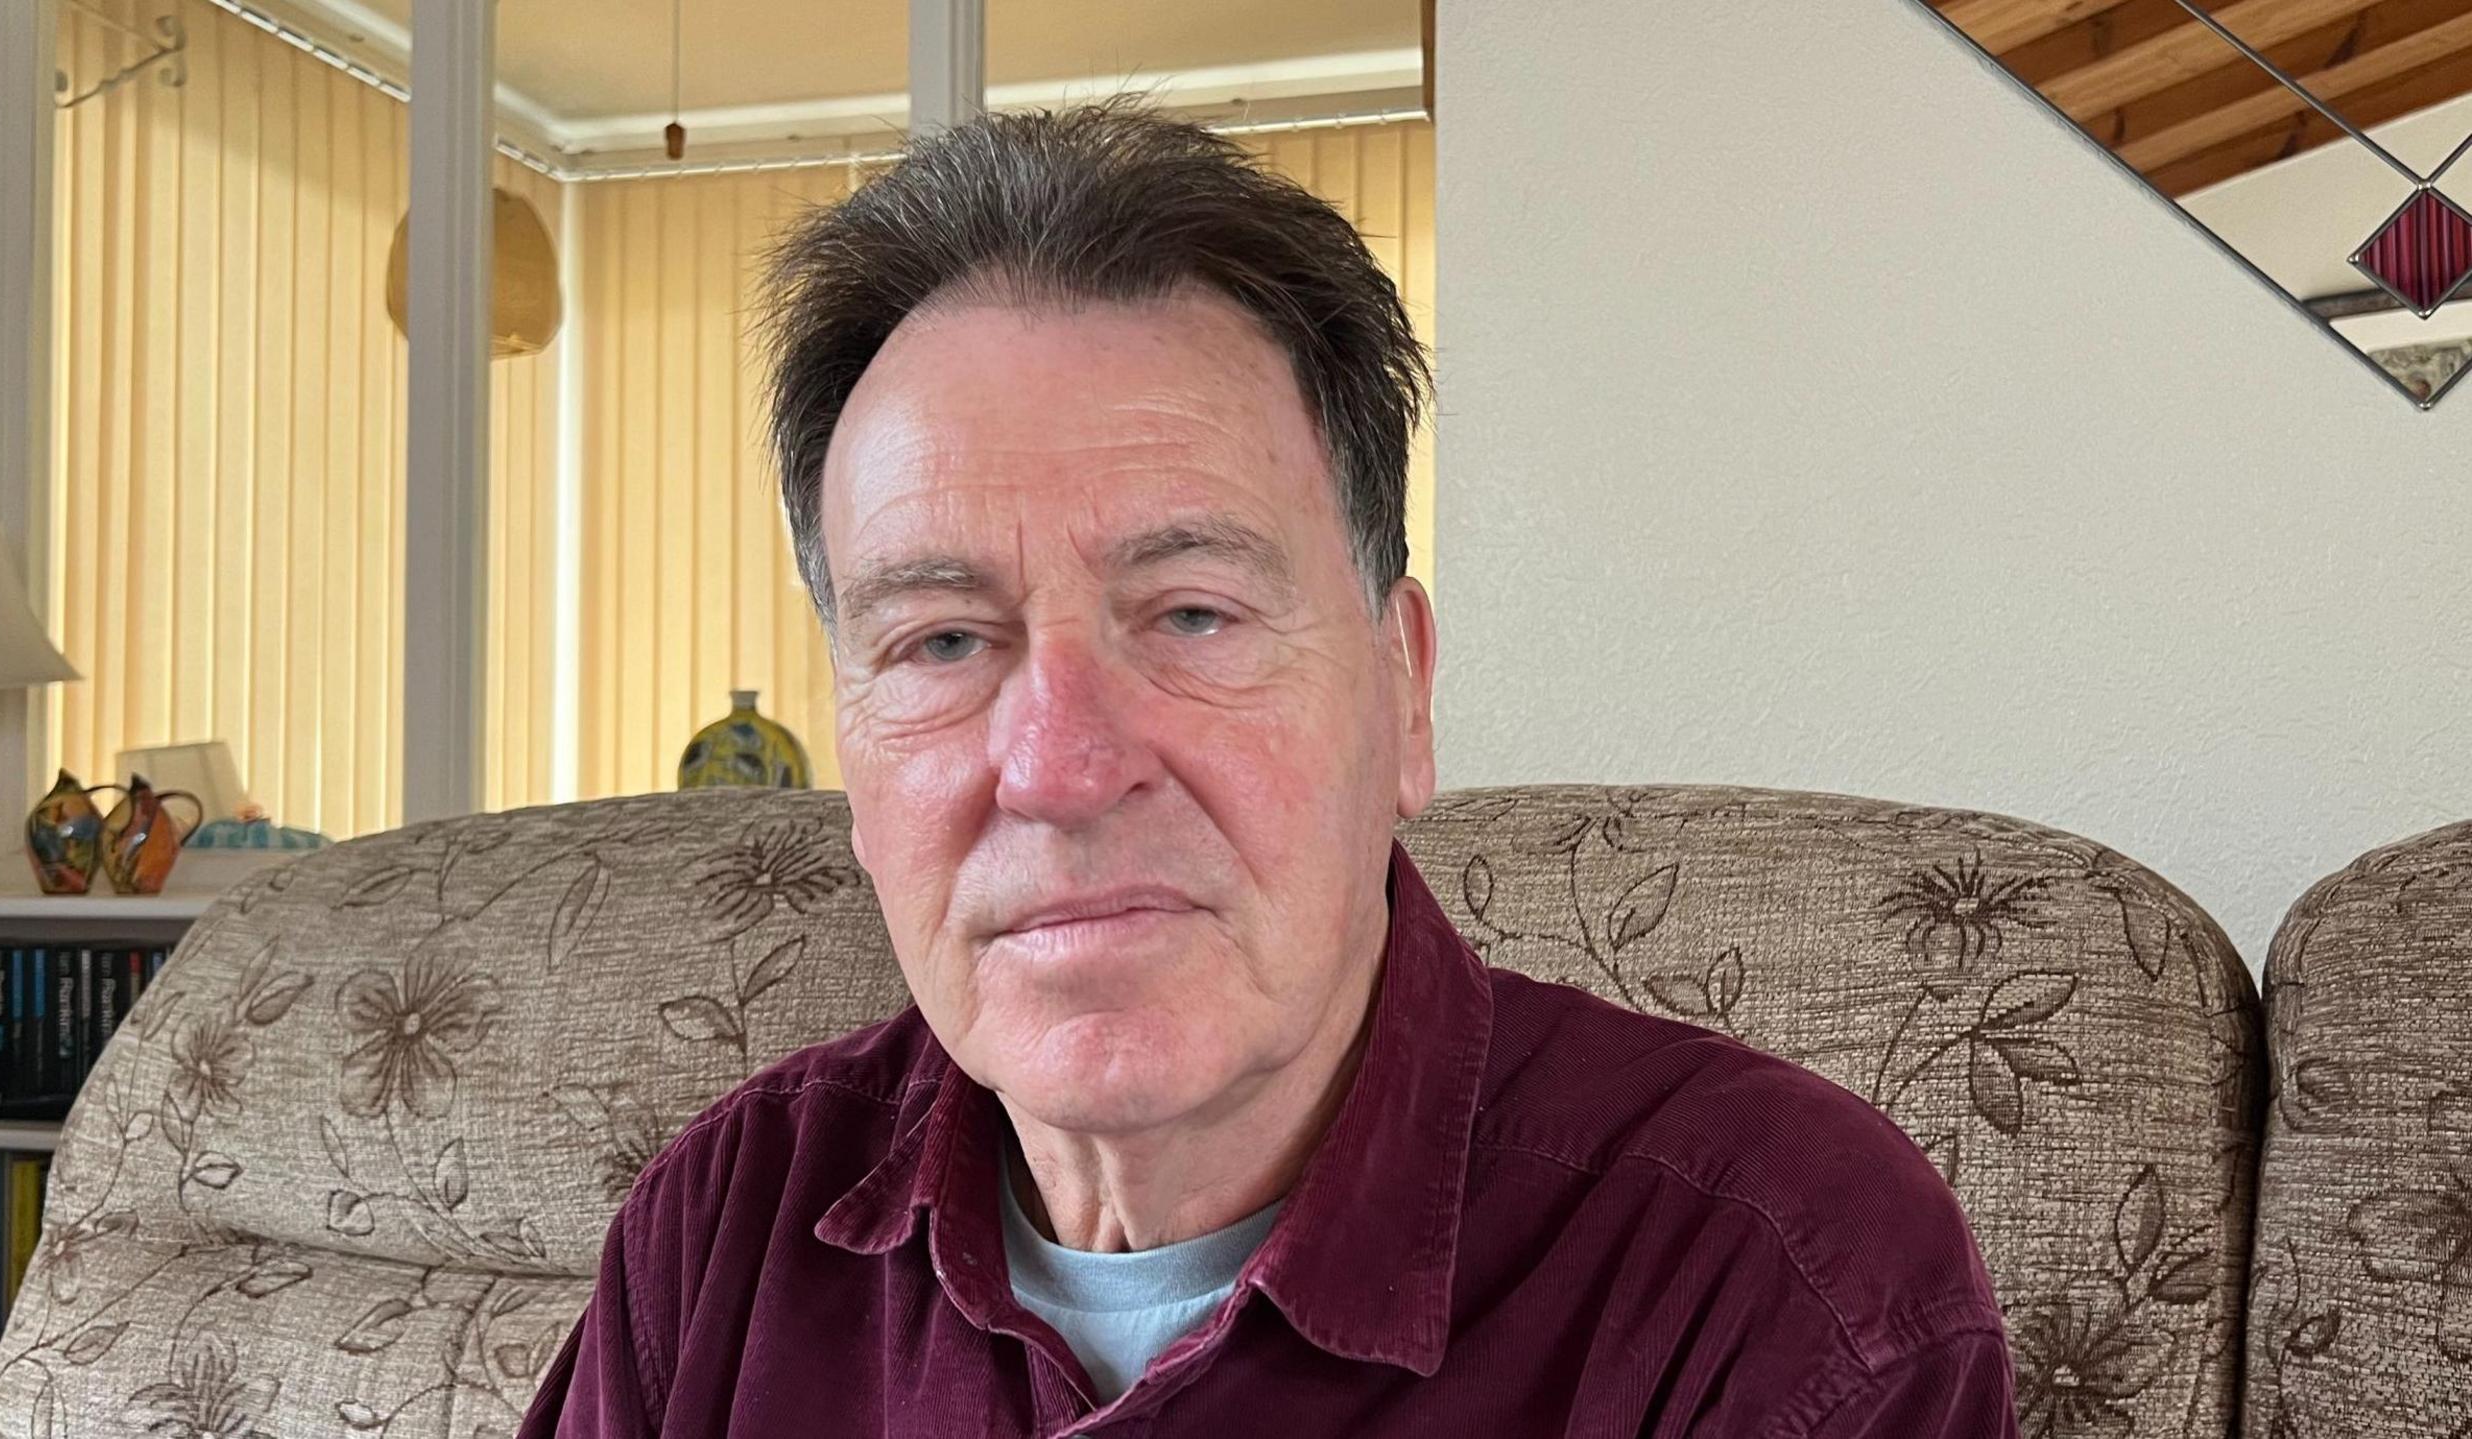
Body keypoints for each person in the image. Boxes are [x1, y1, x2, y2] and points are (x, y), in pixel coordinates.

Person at [517, 100, 2018, 1437]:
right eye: (941, 642)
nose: (1057, 768)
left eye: (1190, 615)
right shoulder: (719, 1236)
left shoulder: (1773, 1285)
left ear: (1402, 694)